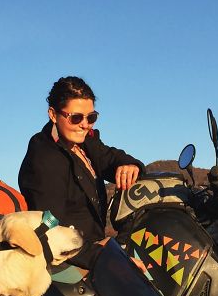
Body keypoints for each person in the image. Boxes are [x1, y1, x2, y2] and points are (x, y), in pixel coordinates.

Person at [18, 76, 143, 269]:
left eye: (91, 117)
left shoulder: (85, 142)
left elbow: (110, 158)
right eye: (76, 118)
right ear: (53, 114)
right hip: (70, 262)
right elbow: (51, 231)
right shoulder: (44, 158)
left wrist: (129, 165)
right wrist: (106, 258)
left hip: (95, 246)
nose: (85, 124)